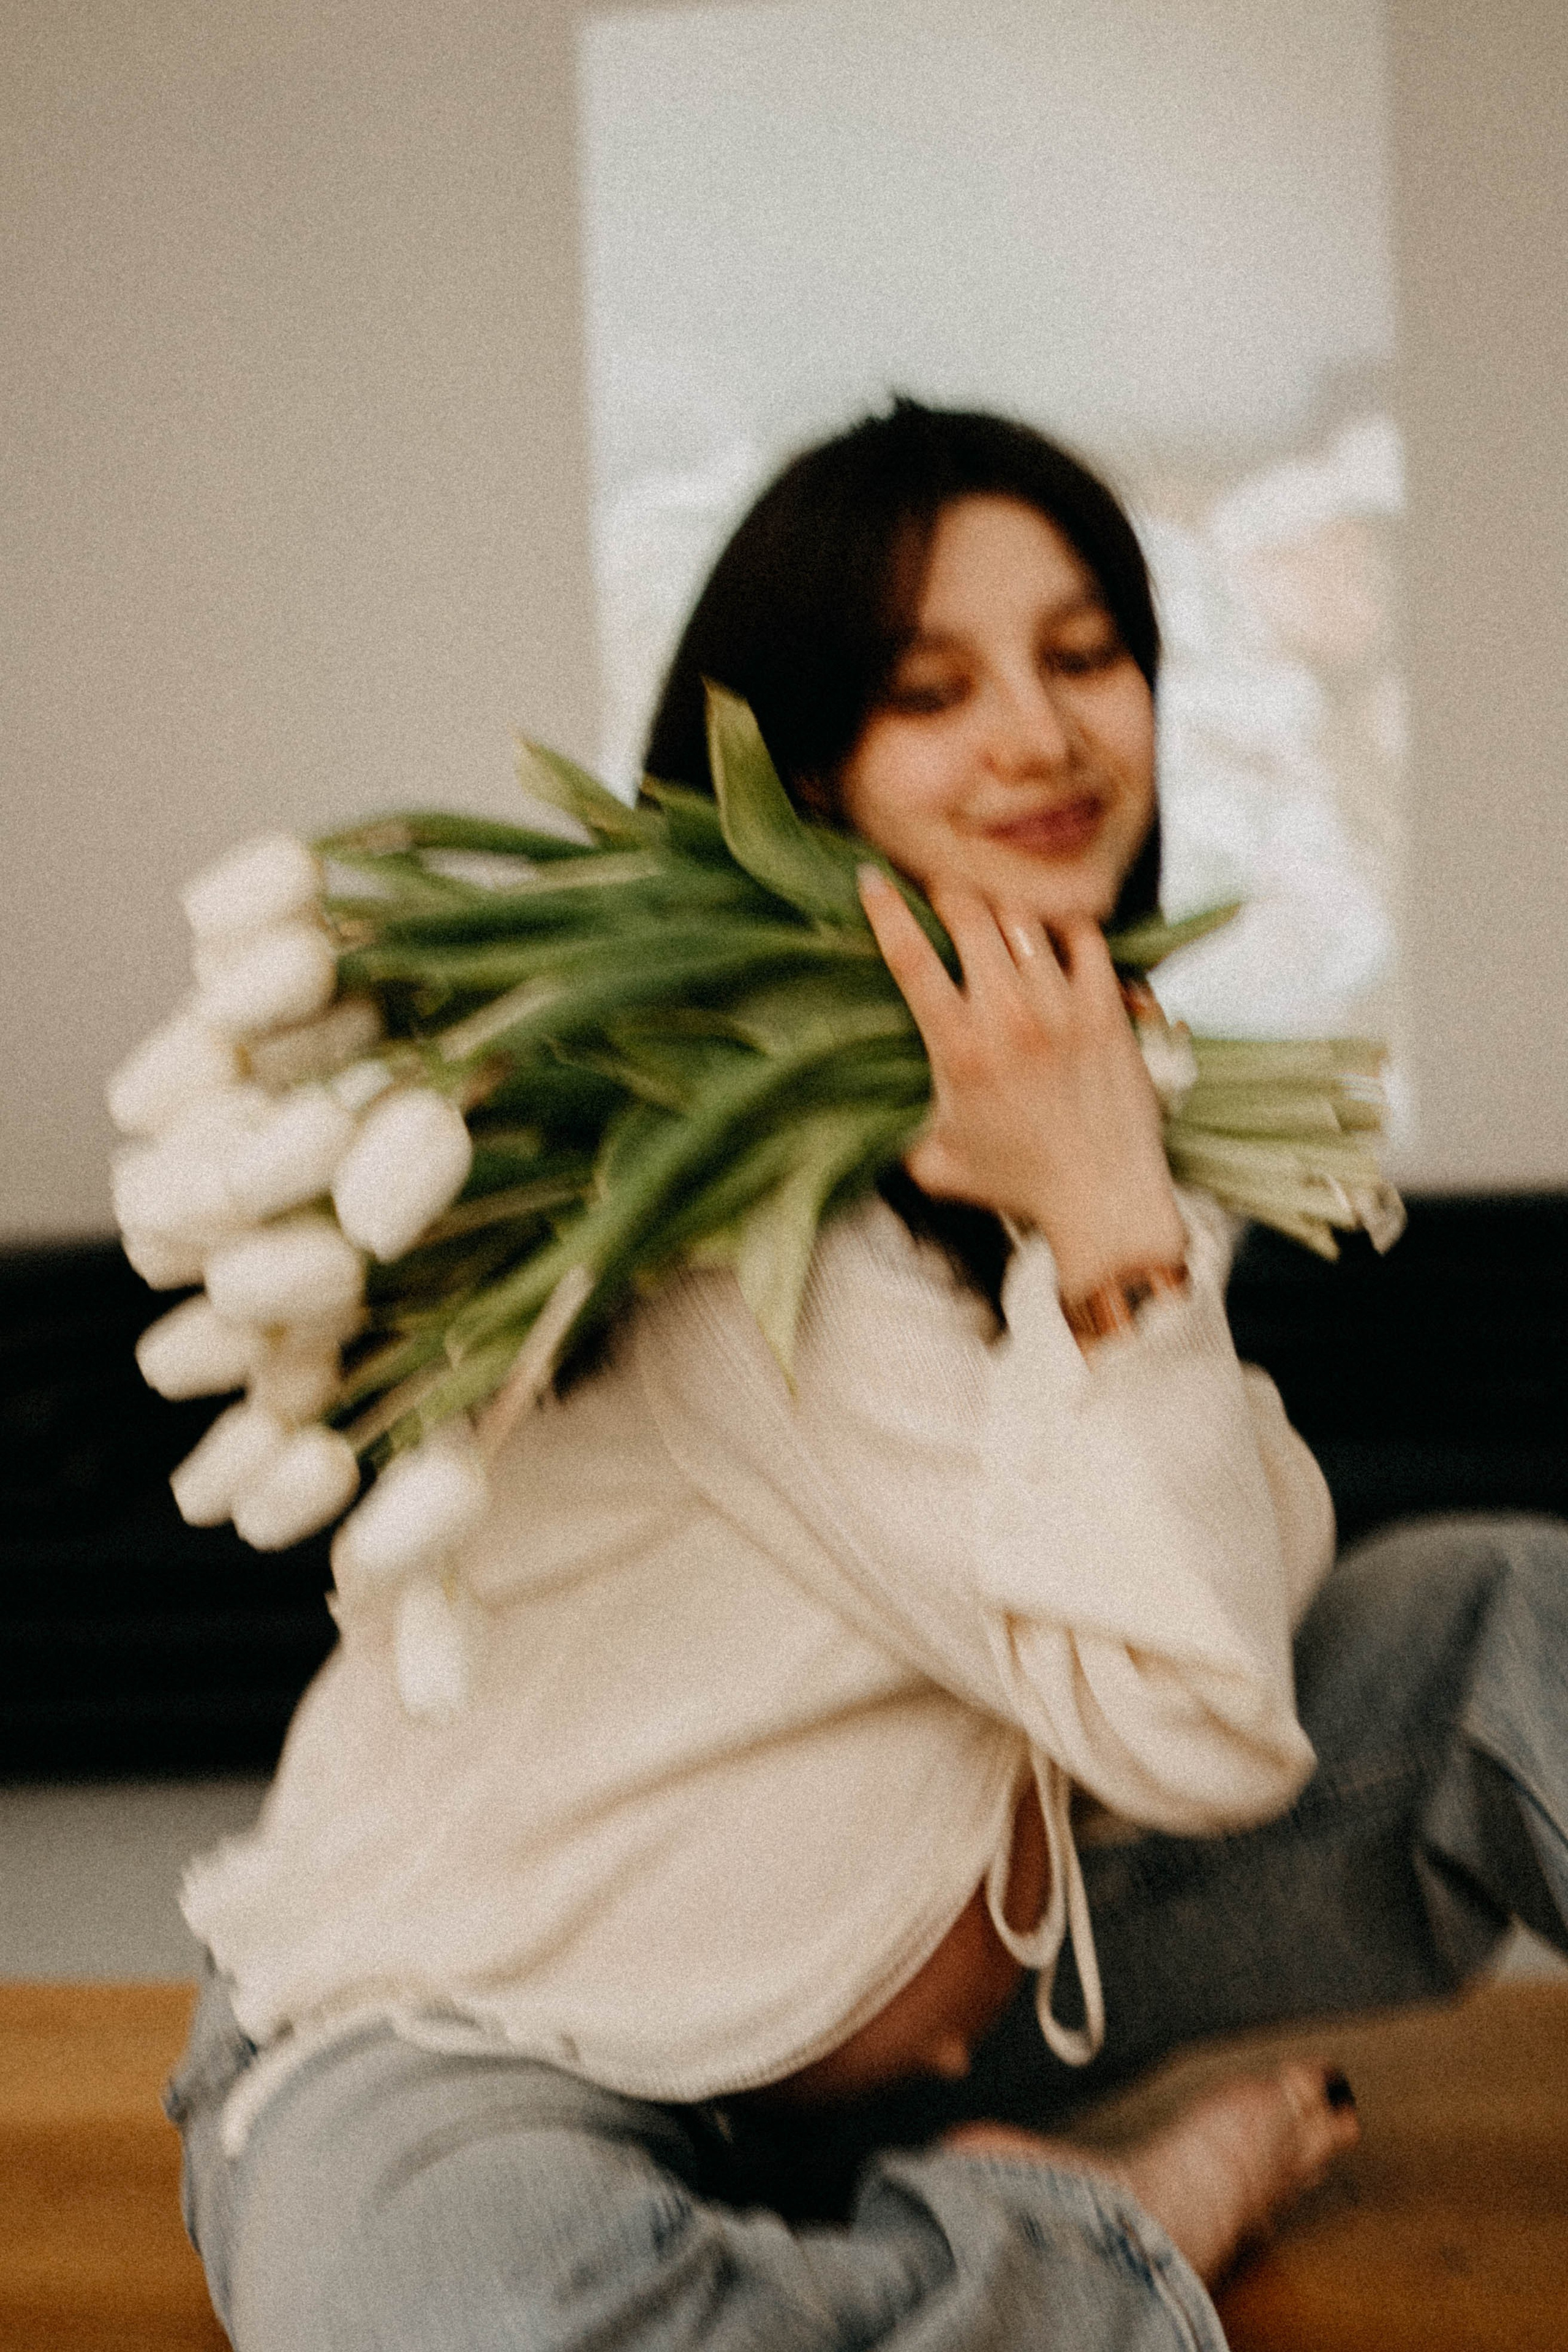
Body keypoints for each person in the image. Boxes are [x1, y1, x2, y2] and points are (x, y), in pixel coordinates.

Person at [167, 401, 1568, 2351]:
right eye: (936, 689)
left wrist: (1108, 1205)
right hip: (500, 2044)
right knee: (462, 2321)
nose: (1044, 737)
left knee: (1514, 1618)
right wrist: (1110, 1234)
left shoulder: (1057, 1113)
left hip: (971, 1955)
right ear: (802, 761)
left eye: (1087, 658)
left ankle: (866, 2246)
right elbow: (1200, 1730)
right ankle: (1095, 2243)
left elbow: (1235, 1616)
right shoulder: (741, 1196)